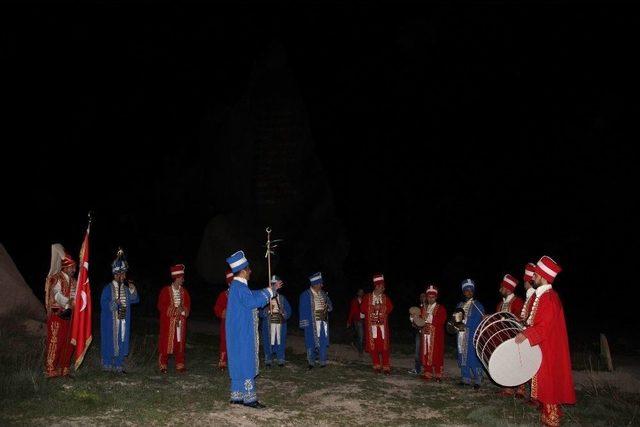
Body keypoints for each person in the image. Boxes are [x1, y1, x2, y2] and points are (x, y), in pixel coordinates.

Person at [515, 256, 576, 426]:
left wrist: (526, 334)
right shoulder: (542, 296)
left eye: (535, 275)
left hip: (549, 347)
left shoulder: (549, 298)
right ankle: (547, 415)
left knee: (549, 382)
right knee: (544, 382)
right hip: (543, 345)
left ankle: (552, 419)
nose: (532, 277)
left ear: (542, 277)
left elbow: (544, 327)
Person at [225, 250, 281, 408]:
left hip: (237, 332)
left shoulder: (237, 287)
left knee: (237, 361)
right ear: (243, 271)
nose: (250, 271)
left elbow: (252, 295)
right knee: (246, 360)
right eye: (248, 269)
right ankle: (249, 398)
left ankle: (237, 395)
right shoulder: (239, 287)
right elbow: (252, 301)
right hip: (243, 332)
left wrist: (270, 290)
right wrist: (270, 291)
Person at [100, 248, 139, 373]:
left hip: (123, 319)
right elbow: (103, 303)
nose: (124, 276)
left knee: (122, 339)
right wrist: (113, 304)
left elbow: (134, 300)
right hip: (110, 321)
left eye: (125, 274)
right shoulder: (108, 288)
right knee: (108, 340)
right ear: (116, 275)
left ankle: (118, 364)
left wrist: (133, 290)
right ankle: (106, 363)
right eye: (122, 274)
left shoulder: (126, 289)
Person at [44, 244, 77, 378]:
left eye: (74, 267)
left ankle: (64, 369)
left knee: (68, 343)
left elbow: (76, 296)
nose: (74, 270)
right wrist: (68, 302)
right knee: (55, 342)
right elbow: (56, 294)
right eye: (72, 267)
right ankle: (50, 370)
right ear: (66, 267)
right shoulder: (56, 278)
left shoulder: (75, 281)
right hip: (58, 315)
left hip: (71, 316)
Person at [495, 273, 526, 397]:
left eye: (502, 287)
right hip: (503, 339)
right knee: (506, 362)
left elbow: (519, 318)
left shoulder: (518, 301)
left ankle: (521, 389)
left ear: (507, 288)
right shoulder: (500, 304)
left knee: (518, 362)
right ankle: (508, 387)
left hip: (515, 338)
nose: (500, 289)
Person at [157, 264, 191, 373]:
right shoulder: (165, 291)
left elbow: (187, 307)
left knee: (179, 342)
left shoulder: (184, 292)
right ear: (177, 278)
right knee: (166, 341)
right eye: (182, 278)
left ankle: (180, 363)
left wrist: (183, 310)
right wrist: (174, 310)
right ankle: (163, 363)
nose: (183, 280)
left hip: (180, 322)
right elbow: (161, 305)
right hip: (168, 323)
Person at [299, 272, 333, 369]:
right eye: (320, 283)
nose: (322, 285)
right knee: (310, 342)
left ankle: (322, 361)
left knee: (323, 341)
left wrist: (328, 306)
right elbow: (302, 310)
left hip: (323, 322)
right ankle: (311, 362)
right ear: (315, 284)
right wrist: (305, 324)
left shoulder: (324, 294)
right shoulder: (305, 295)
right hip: (311, 323)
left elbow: (330, 306)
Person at [361, 273, 394, 374]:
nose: (383, 289)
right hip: (372, 326)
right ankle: (376, 365)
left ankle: (386, 366)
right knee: (373, 345)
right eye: (381, 287)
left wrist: (382, 308)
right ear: (376, 286)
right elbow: (362, 309)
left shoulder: (385, 298)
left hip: (382, 327)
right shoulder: (368, 297)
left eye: (383, 287)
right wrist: (373, 308)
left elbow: (390, 308)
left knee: (384, 347)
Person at [456, 278, 485, 389]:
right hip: (461, 334)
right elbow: (456, 317)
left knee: (473, 356)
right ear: (463, 292)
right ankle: (465, 378)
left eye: (471, 290)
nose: (469, 292)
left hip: (472, 334)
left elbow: (478, 319)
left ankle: (478, 379)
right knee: (462, 355)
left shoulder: (478, 305)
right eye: (466, 290)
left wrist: (466, 323)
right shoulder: (459, 304)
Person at [259, 275, 292, 367]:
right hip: (268, 323)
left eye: (275, 284)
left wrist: (283, 312)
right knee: (268, 341)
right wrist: (268, 310)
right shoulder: (265, 298)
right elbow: (260, 312)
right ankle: (268, 359)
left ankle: (280, 358)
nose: (274, 286)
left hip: (280, 323)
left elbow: (289, 311)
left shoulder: (282, 298)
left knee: (280, 340)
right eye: (272, 284)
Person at [420, 285, 447, 382]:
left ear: (436, 297)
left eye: (432, 297)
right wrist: (415, 319)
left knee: (437, 354)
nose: (430, 299)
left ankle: (438, 374)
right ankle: (428, 372)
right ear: (427, 297)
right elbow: (420, 321)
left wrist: (429, 317)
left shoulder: (441, 308)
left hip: (436, 336)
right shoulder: (423, 308)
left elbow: (441, 320)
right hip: (426, 335)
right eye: (429, 297)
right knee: (426, 352)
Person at [213, 268, 233, 369]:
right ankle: (223, 361)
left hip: (237, 324)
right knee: (224, 341)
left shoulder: (240, 294)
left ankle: (235, 361)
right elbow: (217, 308)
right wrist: (222, 312)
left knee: (236, 342)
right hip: (226, 323)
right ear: (229, 283)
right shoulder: (223, 295)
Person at [409, 292, 427, 375]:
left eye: (424, 296)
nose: (422, 297)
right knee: (417, 351)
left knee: (427, 351)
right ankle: (417, 368)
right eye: (421, 296)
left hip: (428, 333)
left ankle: (428, 369)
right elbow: (415, 322)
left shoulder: (430, 307)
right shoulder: (419, 308)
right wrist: (413, 321)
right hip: (419, 333)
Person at [346, 288, 365, 356]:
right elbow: (352, 311)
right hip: (357, 320)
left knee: (359, 334)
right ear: (357, 293)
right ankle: (360, 351)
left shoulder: (364, 300)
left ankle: (352, 342)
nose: (361, 293)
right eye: (360, 292)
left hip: (364, 320)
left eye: (362, 292)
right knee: (361, 335)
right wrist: (349, 321)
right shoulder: (354, 301)